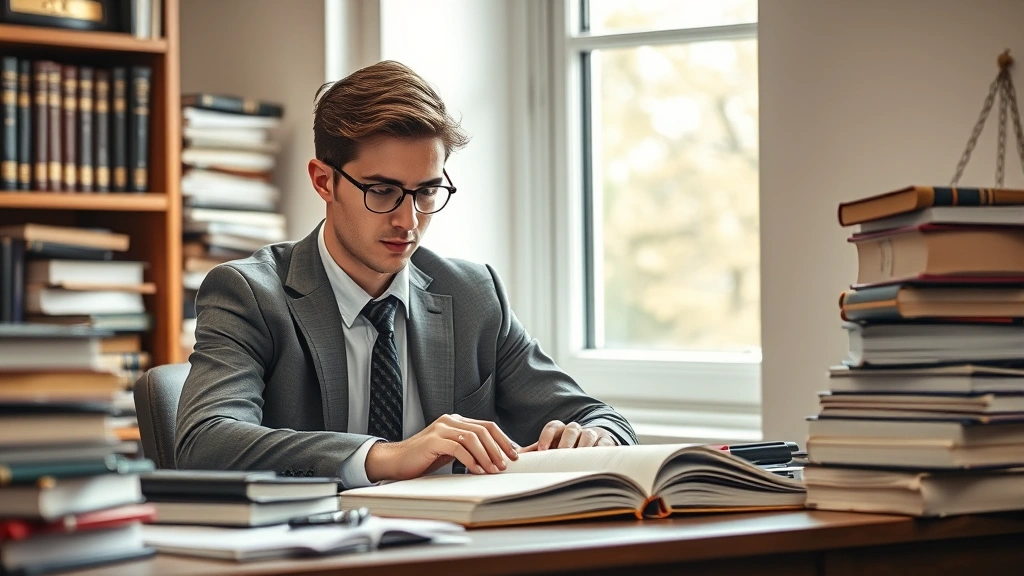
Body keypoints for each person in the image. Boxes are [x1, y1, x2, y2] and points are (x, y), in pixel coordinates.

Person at [175, 60, 636, 487]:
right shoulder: (249, 293)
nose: (408, 220)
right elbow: (205, 442)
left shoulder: (474, 294)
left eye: (427, 192)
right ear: (323, 181)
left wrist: (595, 438)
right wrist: (384, 457)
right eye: (382, 190)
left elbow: (600, 417)